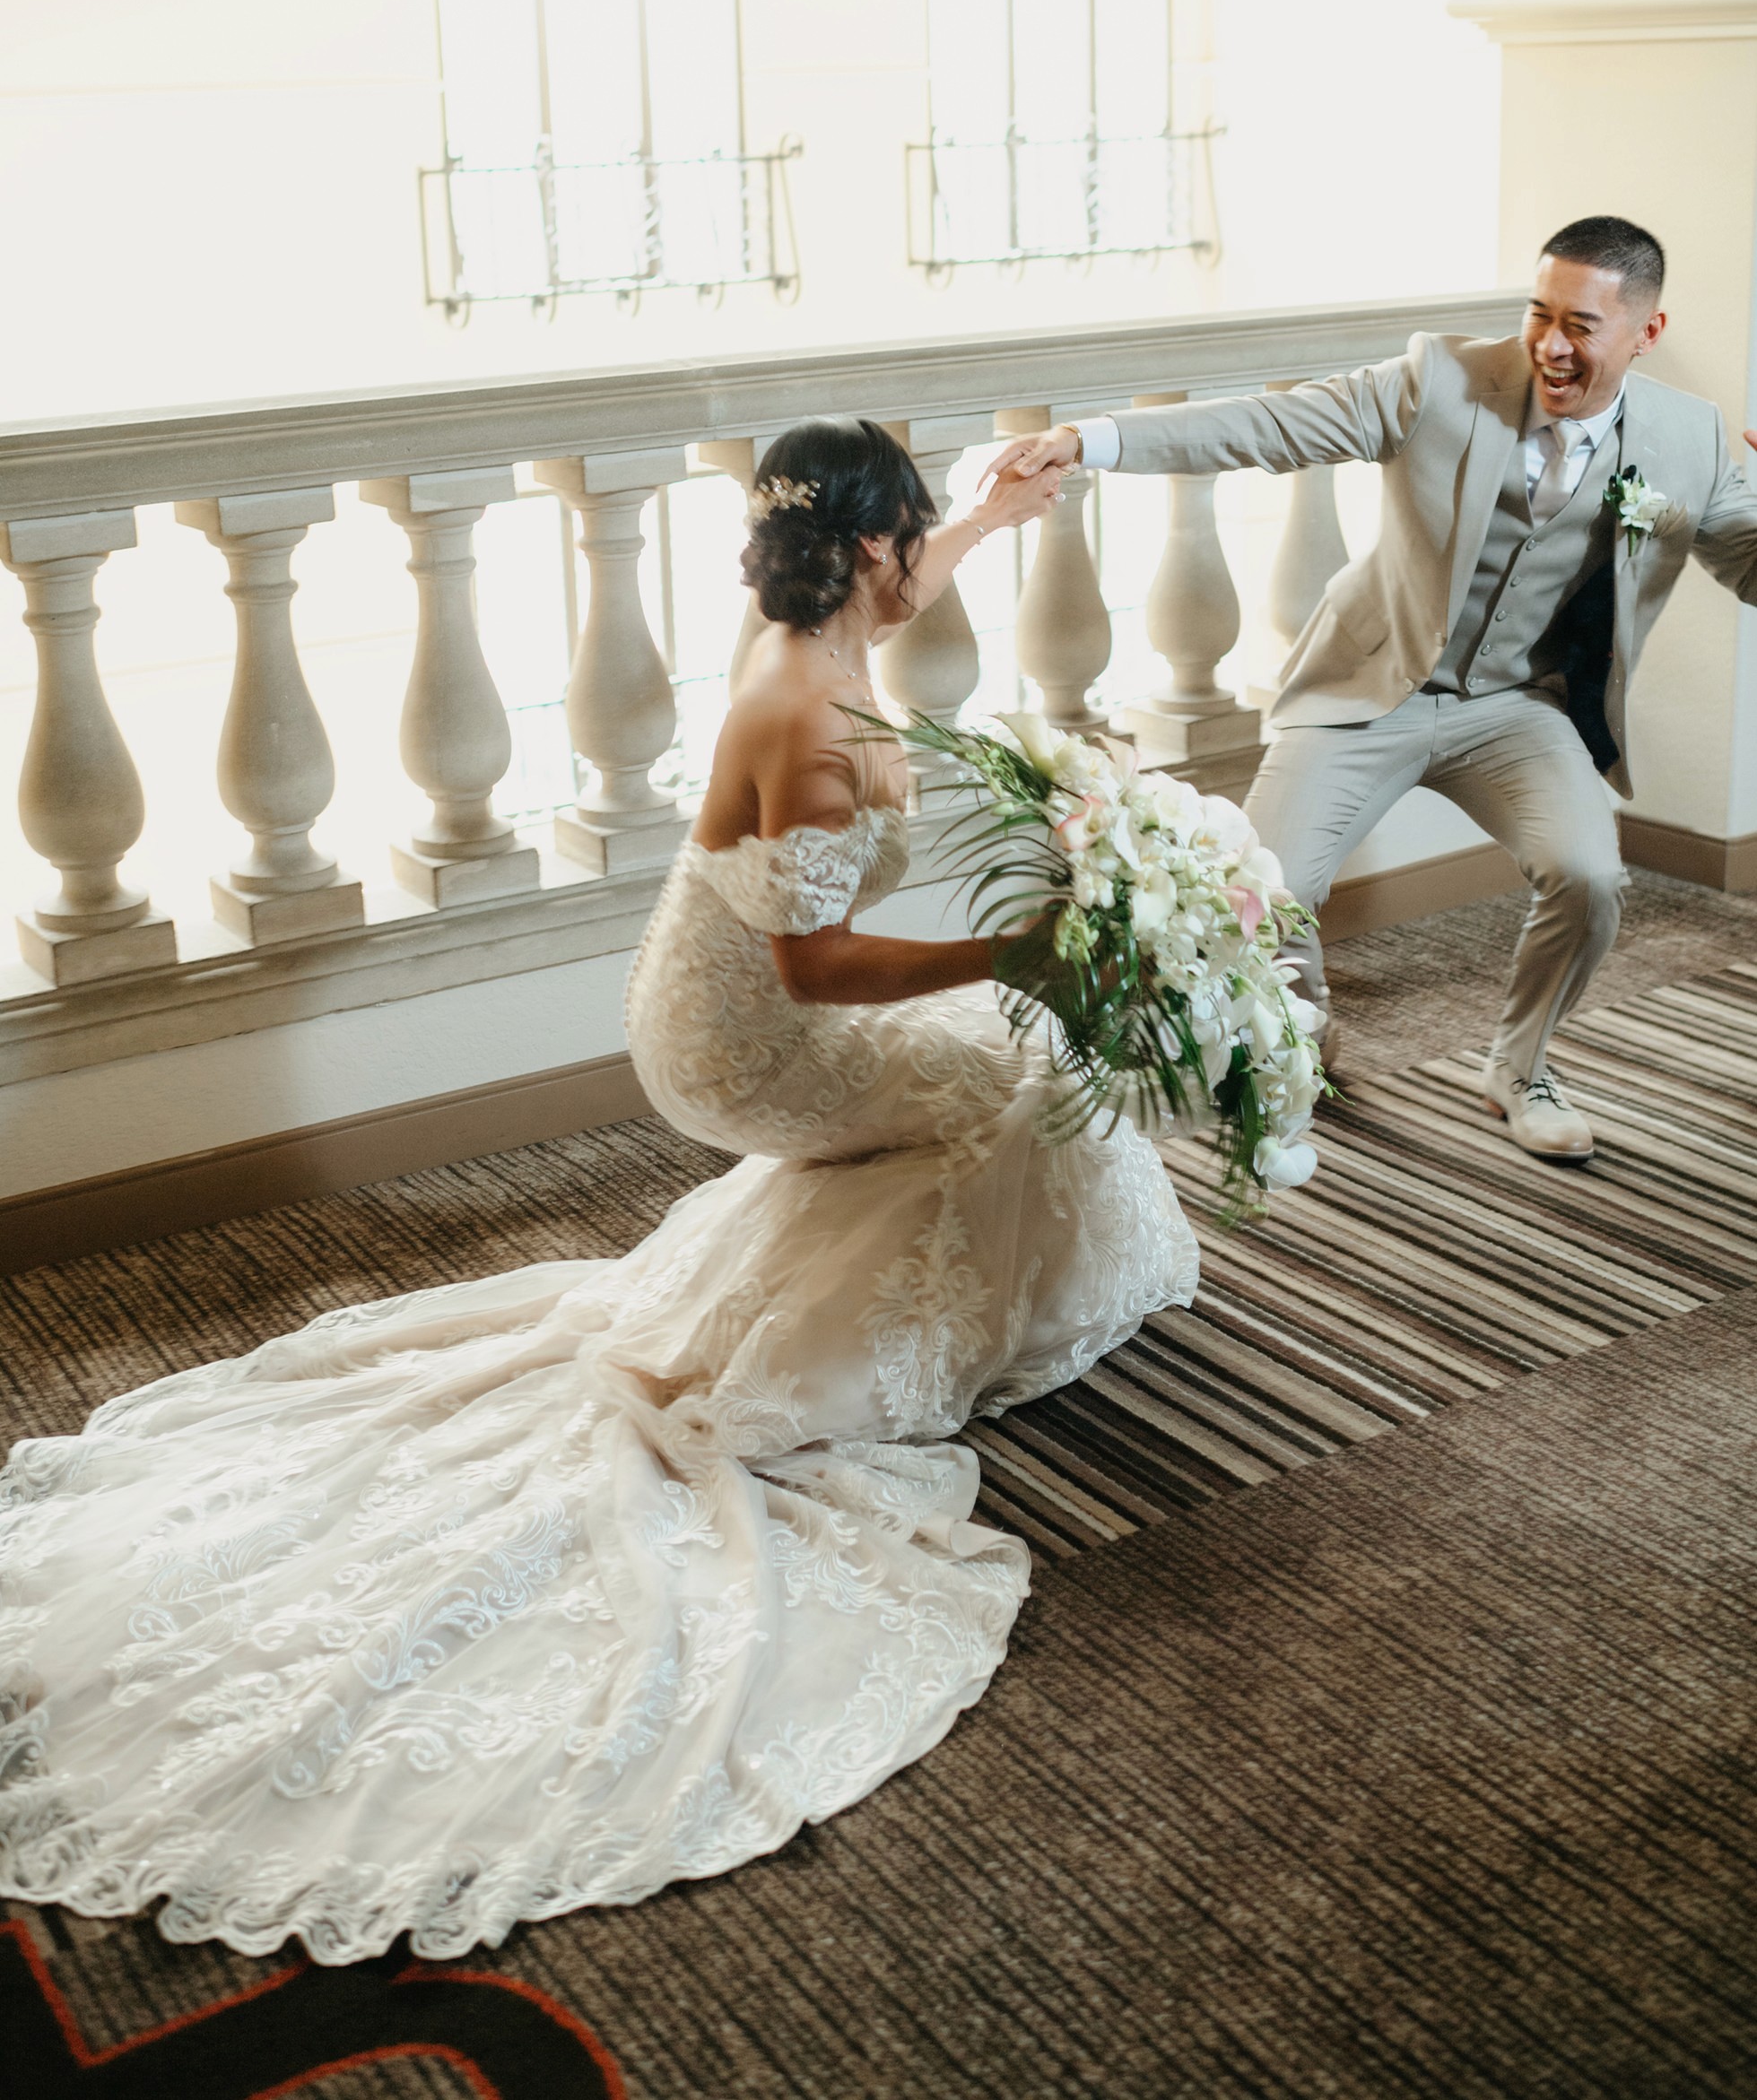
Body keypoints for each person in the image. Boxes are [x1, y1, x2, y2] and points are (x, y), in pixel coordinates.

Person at [0, 418, 1196, 1965]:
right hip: (754, 1039)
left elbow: (895, 606)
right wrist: (1016, 947)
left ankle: (868, 1302)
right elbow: (818, 964)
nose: (920, 568)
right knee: (1016, 1060)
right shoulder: (814, 719)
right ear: (863, 550)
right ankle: (879, 1346)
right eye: (914, 538)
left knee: (992, 1058)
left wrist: (985, 514)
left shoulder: (807, 635)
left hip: (705, 1001)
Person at [990, 217, 1757, 1163]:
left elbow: (1749, 565)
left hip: (1518, 705)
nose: (1552, 344)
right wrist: (1090, 439)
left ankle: (1521, 1068)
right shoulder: (1438, 380)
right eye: (1540, 313)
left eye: (1583, 325)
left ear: (1646, 329)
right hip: (1371, 684)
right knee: (1265, 892)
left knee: (1592, 875)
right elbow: (1268, 427)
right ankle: (1301, 1041)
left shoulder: (1692, 438)